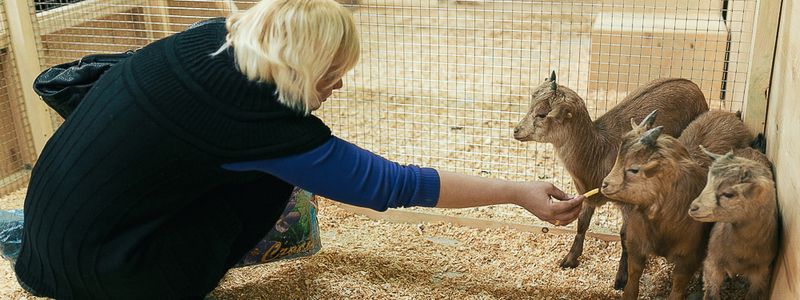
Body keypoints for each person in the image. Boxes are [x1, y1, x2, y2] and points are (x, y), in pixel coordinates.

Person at [15, 0, 584, 298]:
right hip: (102, 273)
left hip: (52, 235)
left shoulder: (209, 41)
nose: (340, 85)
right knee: (267, 183)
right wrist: (514, 191)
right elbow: (391, 185)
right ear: (301, 65)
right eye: (333, 73)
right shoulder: (257, 123)